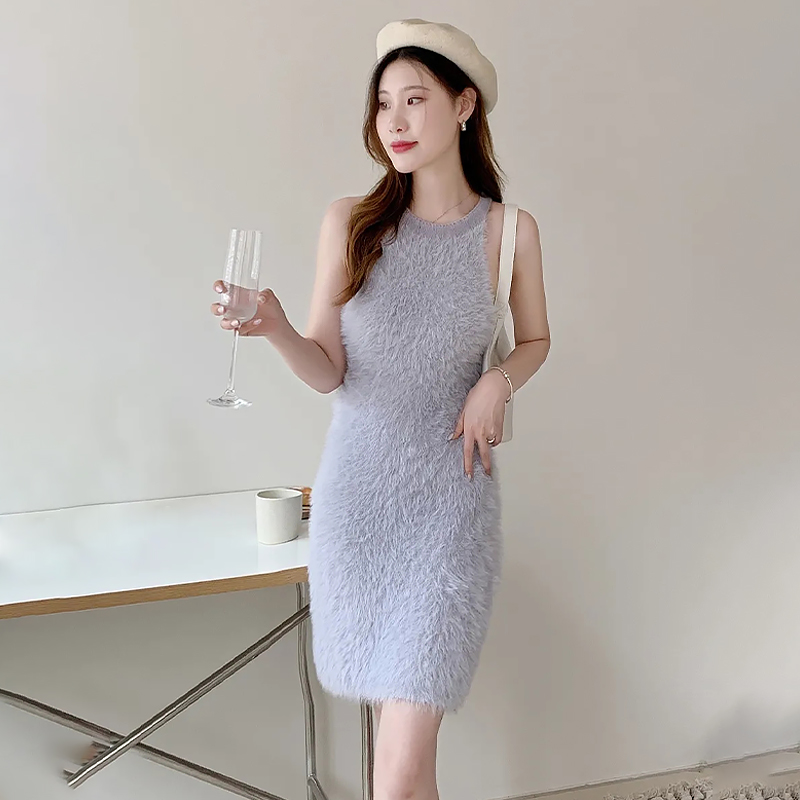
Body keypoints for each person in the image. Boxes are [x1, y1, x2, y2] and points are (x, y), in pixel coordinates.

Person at [210, 18, 551, 800]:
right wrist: (274, 328)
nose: (393, 120)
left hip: (450, 516)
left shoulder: (509, 234)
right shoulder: (352, 222)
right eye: (383, 103)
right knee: (404, 772)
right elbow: (329, 371)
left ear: (463, 105)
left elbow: (535, 340)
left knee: (396, 770)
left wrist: (497, 382)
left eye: (414, 99)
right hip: (358, 509)